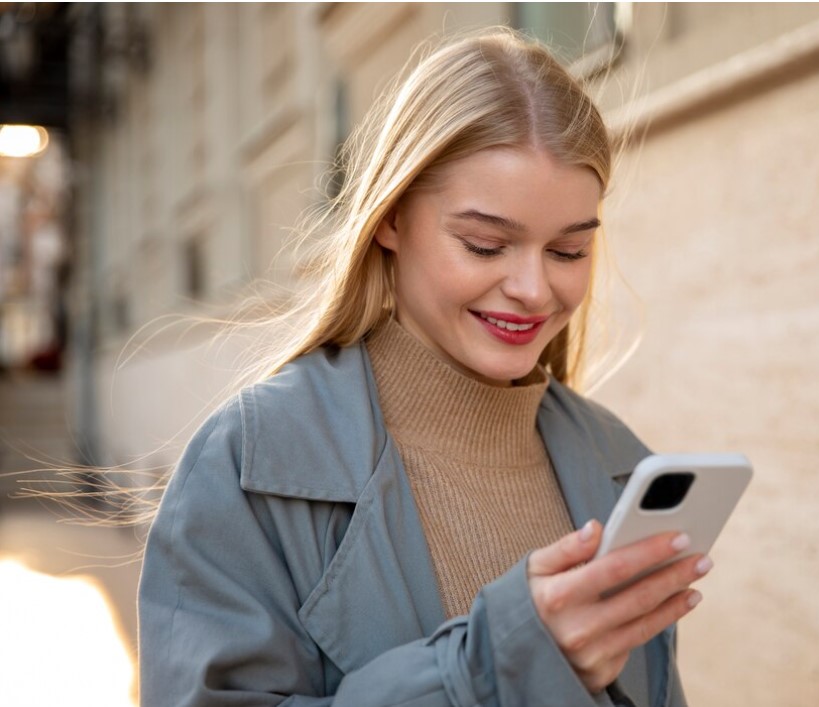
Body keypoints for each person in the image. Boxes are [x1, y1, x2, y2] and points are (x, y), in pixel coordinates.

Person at [138, 28, 712, 707]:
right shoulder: (249, 465)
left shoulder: (618, 466)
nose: (533, 288)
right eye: (485, 244)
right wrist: (487, 671)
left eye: (566, 252)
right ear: (391, 219)